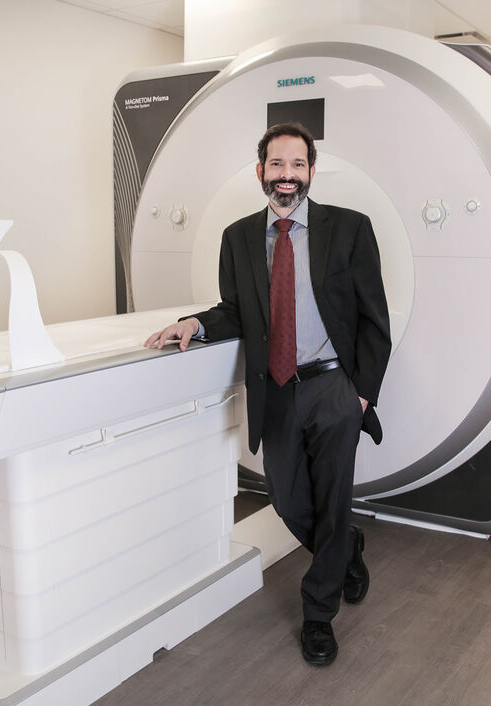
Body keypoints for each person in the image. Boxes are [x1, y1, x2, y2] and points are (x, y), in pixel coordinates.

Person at [145, 122, 391, 666]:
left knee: (332, 500)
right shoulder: (237, 238)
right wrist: (196, 323)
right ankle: (345, 547)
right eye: (277, 166)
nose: (287, 177)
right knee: (288, 499)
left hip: (332, 387)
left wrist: (362, 396)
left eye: (297, 166)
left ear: (310, 172)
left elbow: (376, 320)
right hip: (276, 390)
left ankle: (318, 616)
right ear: (261, 171)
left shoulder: (349, 230)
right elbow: (236, 310)